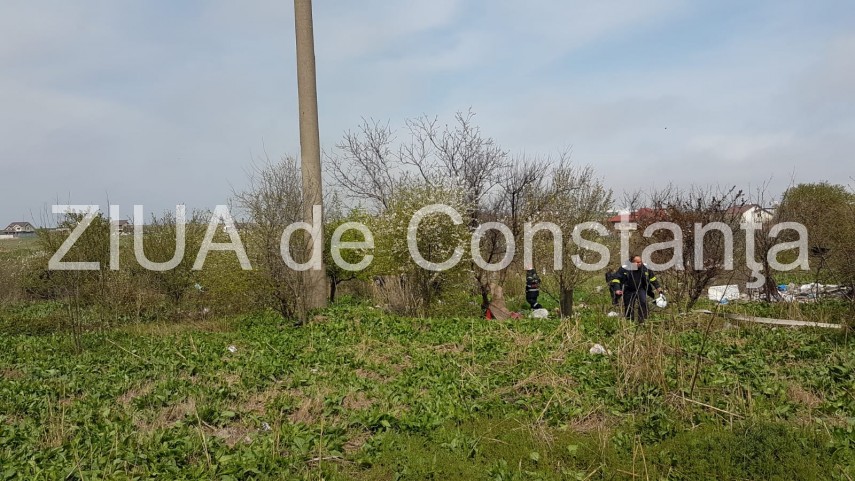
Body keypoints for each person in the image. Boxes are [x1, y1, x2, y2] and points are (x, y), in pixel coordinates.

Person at [611, 255, 662, 322]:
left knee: (643, 303)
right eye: (637, 262)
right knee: (629, 306)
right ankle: (629, 321)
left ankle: (643, 321)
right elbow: (616, 279)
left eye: (640, 262)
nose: (639, 263)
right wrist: (617, 289)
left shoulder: (645, 268)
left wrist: (658, 288)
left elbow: (653, 279)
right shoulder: (624, 269)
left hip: (641, 289)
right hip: (628, 290)